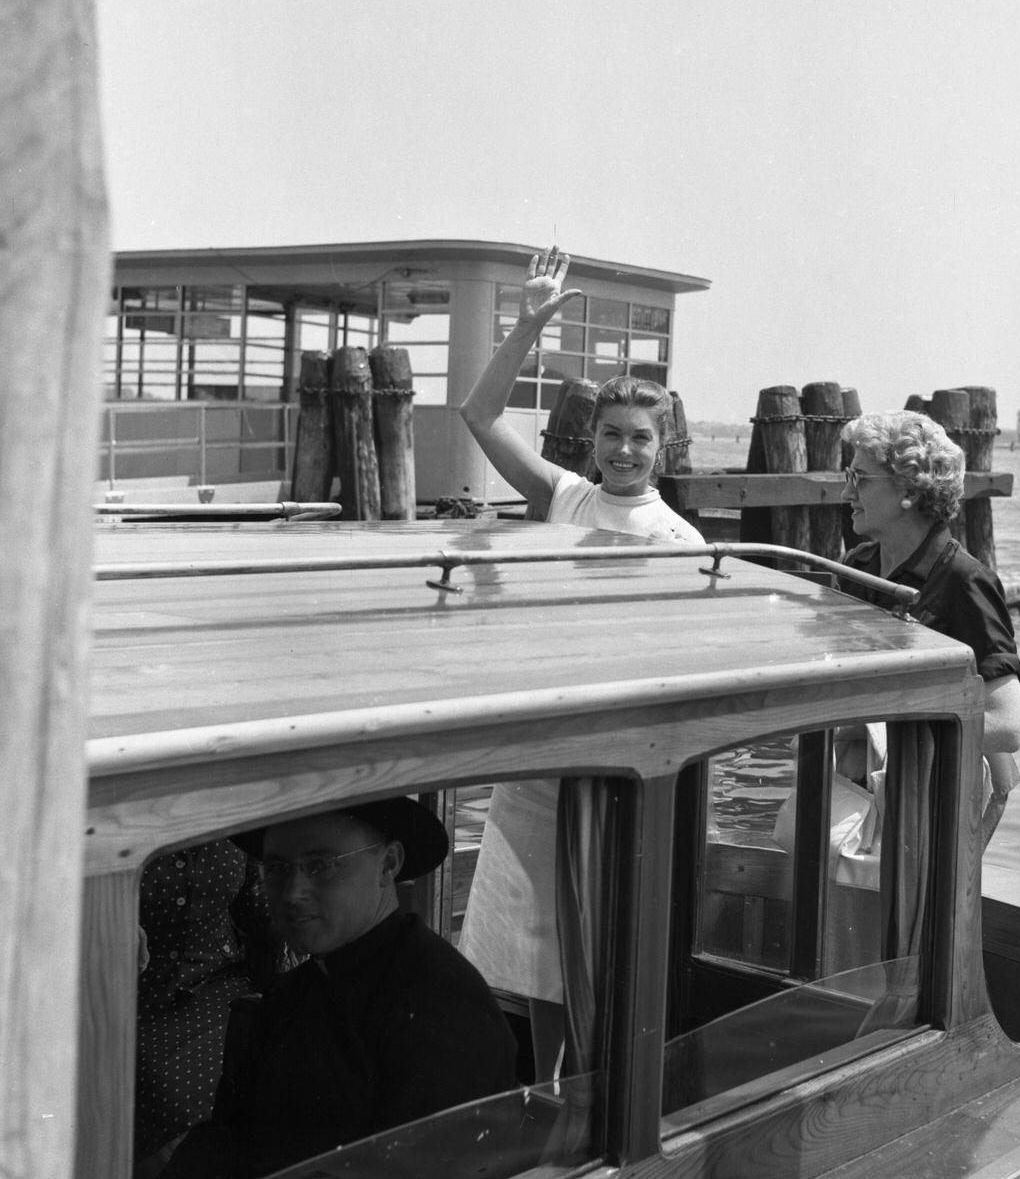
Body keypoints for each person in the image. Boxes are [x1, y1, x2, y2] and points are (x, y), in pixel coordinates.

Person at [458, 246, 703, 1079]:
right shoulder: (566, 497)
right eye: (611, 434)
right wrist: (529, 321)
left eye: (641, 437)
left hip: (610, 765)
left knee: (585, 952)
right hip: (539, 759)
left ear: (662, 446)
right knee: (524, 953)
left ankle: (584, 1107)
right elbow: (480, 414)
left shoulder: (680, 542)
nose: (625, 450)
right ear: (591, 440)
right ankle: (548, 1093)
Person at [162, 798, 516, 1179]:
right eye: (278, 868)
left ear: (388, 864)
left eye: (320, 866)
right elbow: (227, 1139)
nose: (294, 892)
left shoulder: (442, 1008)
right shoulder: (292, 993)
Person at [839, 409, 1020, 844]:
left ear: (907, 489)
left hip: (928, 814)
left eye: (861, 479)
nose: (847, 492)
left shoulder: (965, 580)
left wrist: (883, 729)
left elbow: (1007, 724)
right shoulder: (856, 568)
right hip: (856, 796)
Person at [134, 842, 280, 1178]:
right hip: (129, 999)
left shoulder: (230, 812)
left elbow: (254, 904)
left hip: (221, 986)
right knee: (187, 1105)